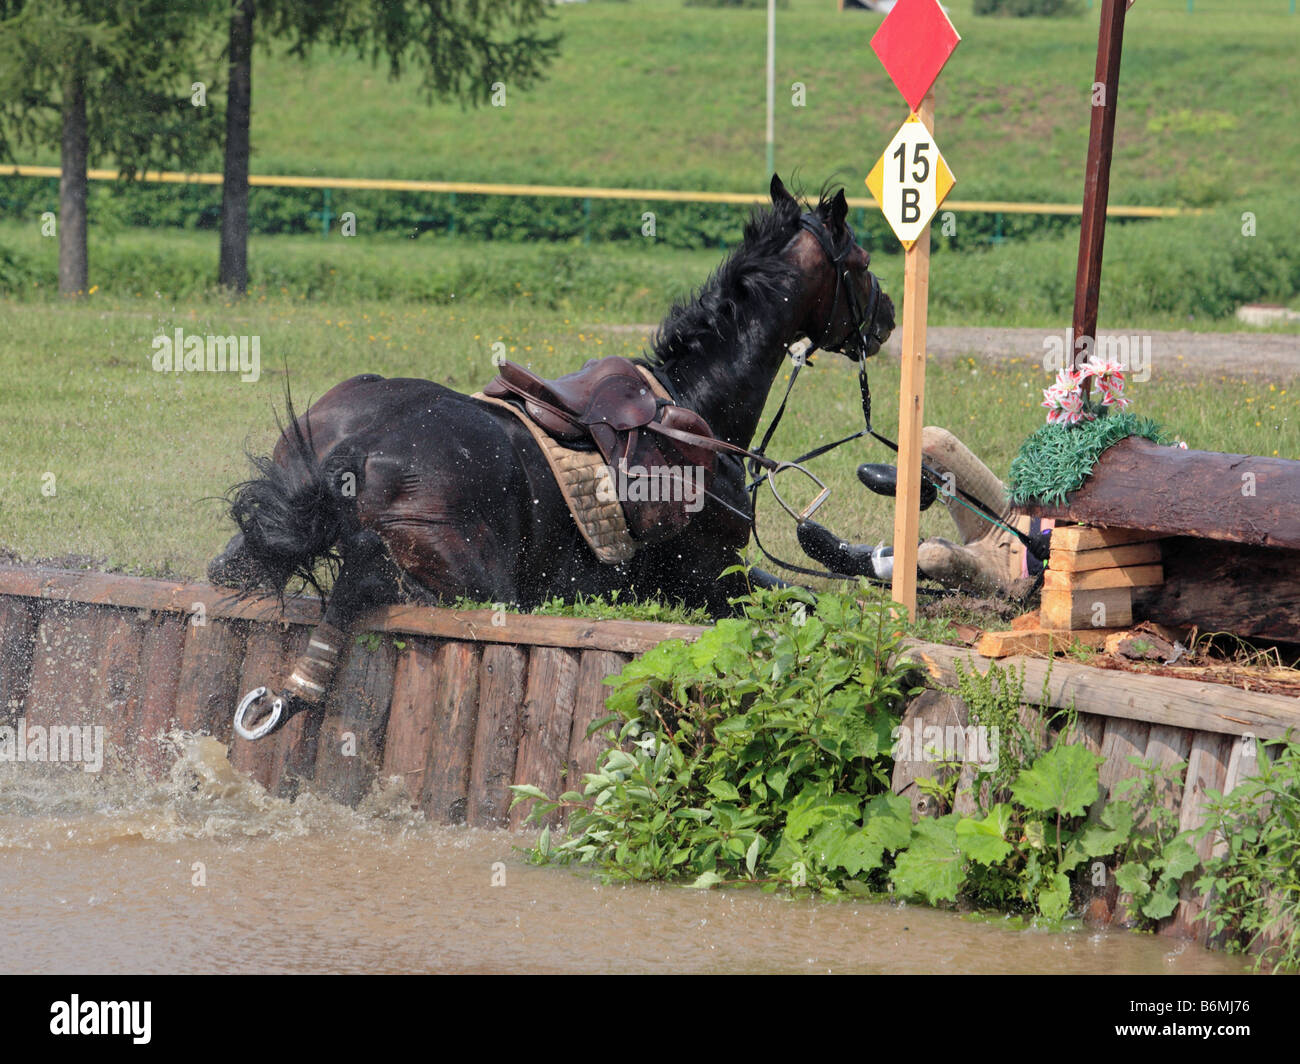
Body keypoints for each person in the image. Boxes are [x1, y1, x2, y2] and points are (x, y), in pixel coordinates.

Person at [798, 426, 1051, 599]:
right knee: (931, 441)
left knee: (933, 556)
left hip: (1010, 572)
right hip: (1015, 512)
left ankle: (851, 560)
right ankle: (920, 486)